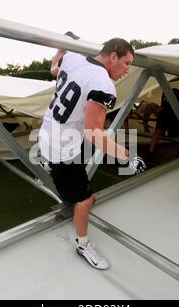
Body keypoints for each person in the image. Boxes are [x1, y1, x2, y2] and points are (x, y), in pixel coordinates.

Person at [39, 36, 146, 270]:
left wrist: (60, 46)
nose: (128, 69)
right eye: (127, 63)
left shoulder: (73, 57)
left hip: (46, 134)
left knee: (81, 147)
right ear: (113, 56)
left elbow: (54, 69)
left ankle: (50, 167)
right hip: (62, 147)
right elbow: (94, 134)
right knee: (85, 199)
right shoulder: (103, 85)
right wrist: (128, 156)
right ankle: (83, 244)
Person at [148, 87, 179, 159]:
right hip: (166, 114)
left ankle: (176, 156)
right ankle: (150, 153)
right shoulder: (177, 93)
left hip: (177, 120)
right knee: (158, 132)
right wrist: (163, 105)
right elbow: (166, 90)